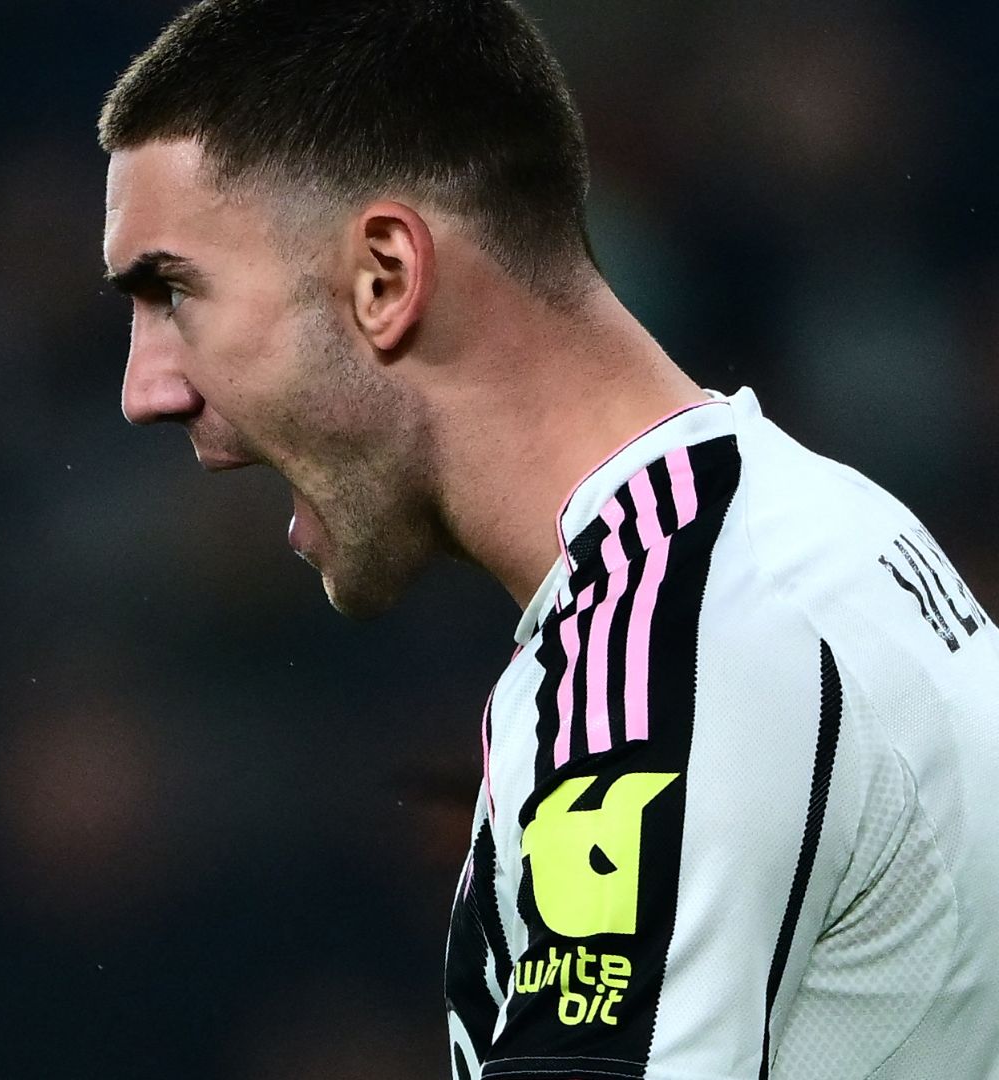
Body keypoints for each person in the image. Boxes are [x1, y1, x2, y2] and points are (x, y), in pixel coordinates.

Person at [96, 1, 999, 1077]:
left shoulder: (671, 646)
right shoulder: (801, 533)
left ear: (385, 275)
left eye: (174, 292)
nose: (146, 390)